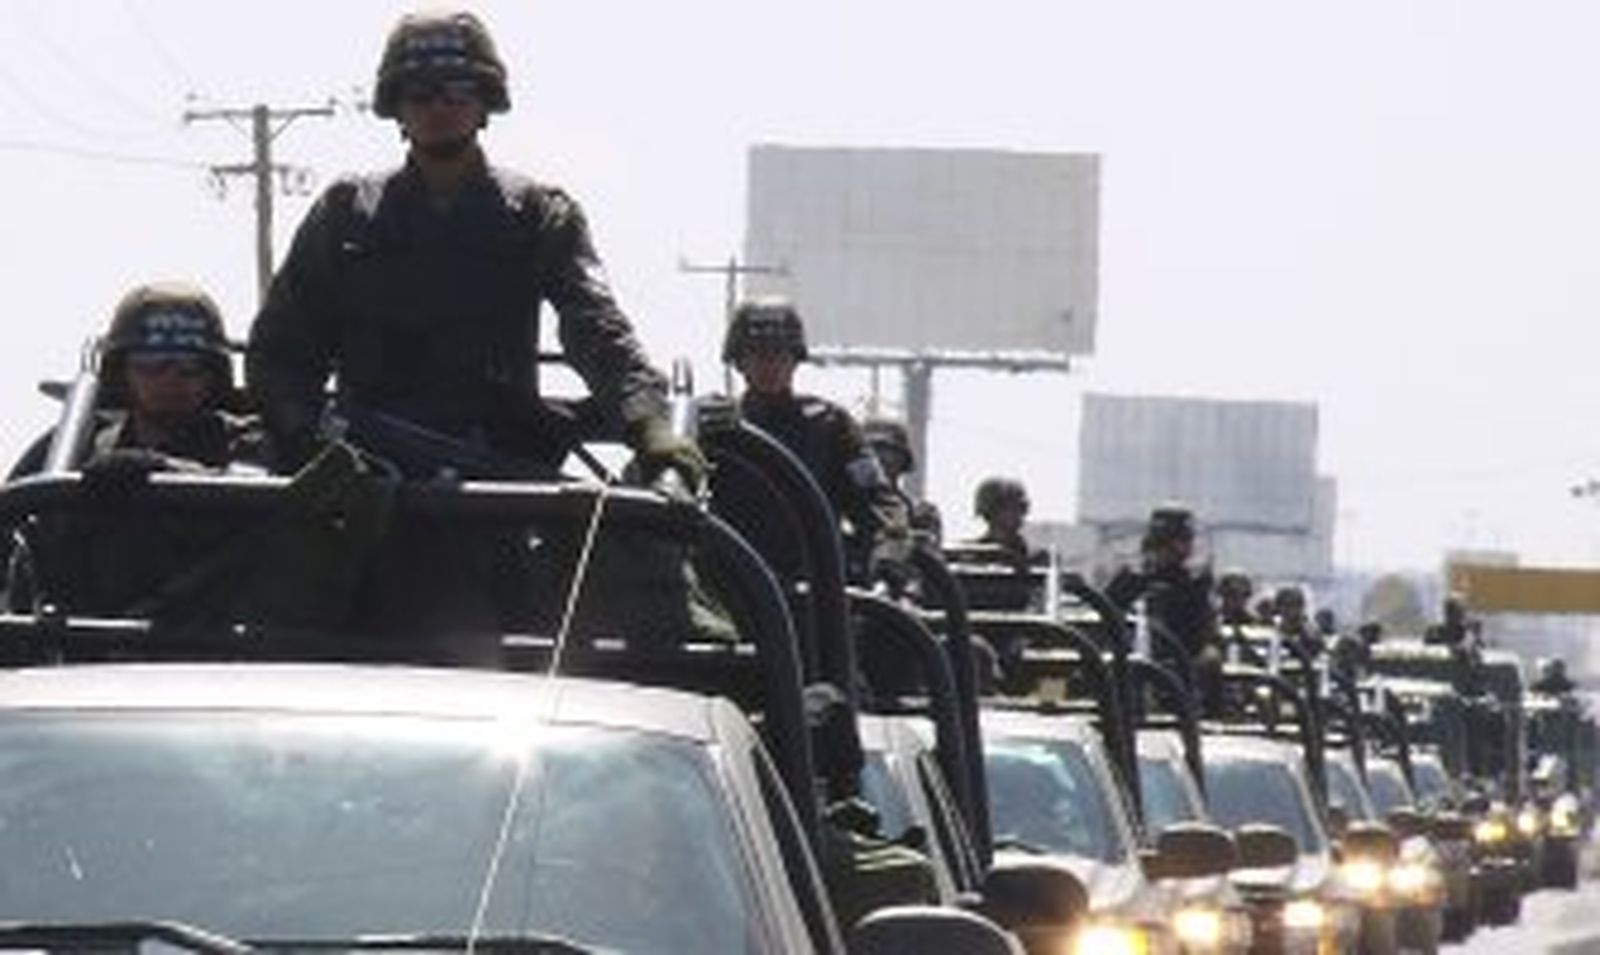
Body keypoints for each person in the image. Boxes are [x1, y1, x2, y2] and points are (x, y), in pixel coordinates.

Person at [243, 10, 703, 648]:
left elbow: (597, 328)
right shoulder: (345, 214)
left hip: (498, 501)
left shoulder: (537, 215)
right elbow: (279, 355)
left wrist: (650, 425)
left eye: (457, 90)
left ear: (486, 100)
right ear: (395, 105)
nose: (438, 106)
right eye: (419, 91)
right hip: (362, 499)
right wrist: (311, 438)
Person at [7, 282, 270, 614]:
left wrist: (163, 470)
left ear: (213, 375)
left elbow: (259, 500)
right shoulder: (75, 446)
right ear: (123, 371)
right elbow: (15, 517)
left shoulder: (246, 441)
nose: (171, 380)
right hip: (86, 637)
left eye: (190, 366)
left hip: (219, 635)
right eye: (152, 363)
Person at [723, 297, 911, 585]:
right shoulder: (718, 427)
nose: (770, 364)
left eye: (779, 353)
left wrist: (890, 544)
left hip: (814, 590)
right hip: (729, 586)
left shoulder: (829, 426)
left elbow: (875, 499)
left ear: (795, 358)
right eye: (758, 353)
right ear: (739, 360)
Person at [862, 416, 943, 547]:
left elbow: (925, 550)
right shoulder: (839, 510)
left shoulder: (920, 513)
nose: (877, 457)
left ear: (902, 459)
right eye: (869, 449)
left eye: (886, 449)